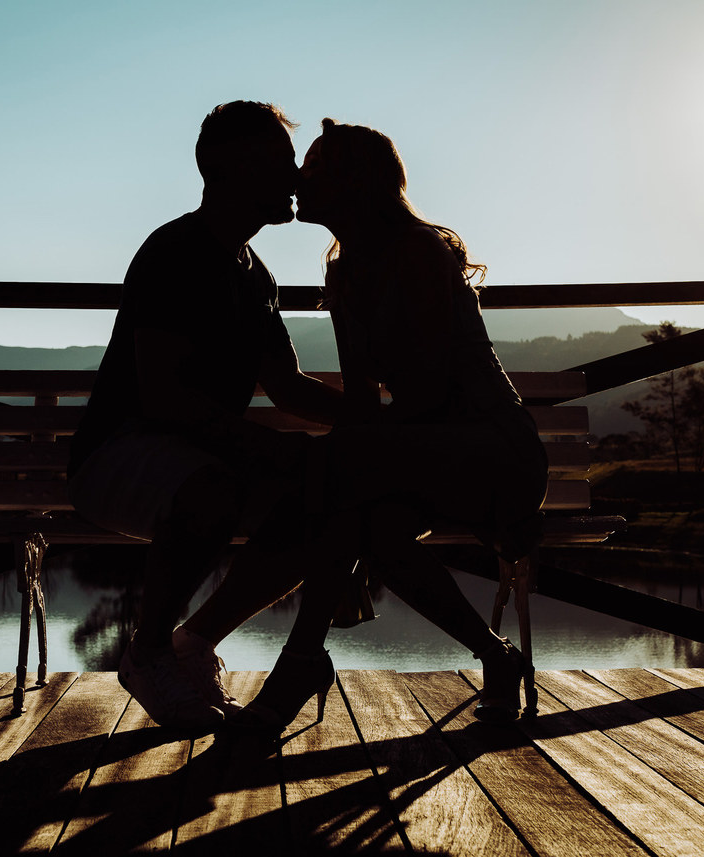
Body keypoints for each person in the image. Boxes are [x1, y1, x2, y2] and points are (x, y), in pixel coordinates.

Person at [234, 119, 550, 733]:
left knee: (336, 472)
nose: (299, 178)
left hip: (496, 452)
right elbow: (360, 401)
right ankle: (496, 657)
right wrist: (350, 455)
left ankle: (294, 662)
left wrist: (349, 458)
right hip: (422, 452)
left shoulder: (419, 252)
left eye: (315, 168)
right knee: (371, 527)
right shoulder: (344, 271)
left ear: (354, 182)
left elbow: (430, 392)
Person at [68, 101, 341, 732]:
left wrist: (381, 416)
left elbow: (287, 387)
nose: (296, 175)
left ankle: (191, 643)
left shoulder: (255, 274)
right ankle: (148, 653)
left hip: (198, 459)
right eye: (280, 161)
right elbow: (163, 399)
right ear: (232, 169)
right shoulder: (177, 252)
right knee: (214, 489)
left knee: (321, 502)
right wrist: (274, 451)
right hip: (114, 454)